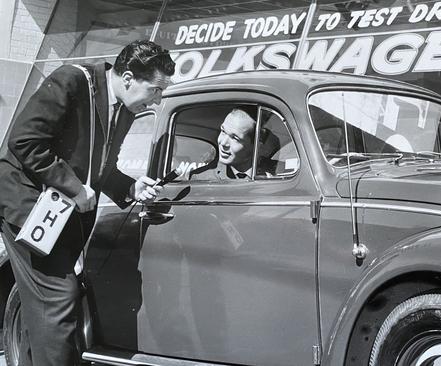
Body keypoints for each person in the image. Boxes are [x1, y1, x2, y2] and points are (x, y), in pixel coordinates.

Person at [0, 40, 175, 366]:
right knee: (58, 299)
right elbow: (23, 141)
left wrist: (131, 185)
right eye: (155, 89)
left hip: (59, 217)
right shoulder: (72, 81)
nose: (158, 98)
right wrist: (74, 188)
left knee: (45, 310)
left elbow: (102, 168)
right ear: (127, 79)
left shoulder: (123, 110)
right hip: (25, 206)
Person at [190, 107, 277, 180]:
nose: (223, 142)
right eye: (223, 131)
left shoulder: (279, 172)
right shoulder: (201, 178)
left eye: (234, 138)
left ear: (256, 144)